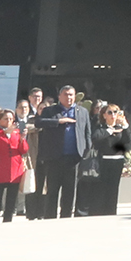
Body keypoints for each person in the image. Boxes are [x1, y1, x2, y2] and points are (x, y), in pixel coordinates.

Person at [38, 84, 90, 218]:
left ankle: (66, 216)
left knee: (70, 190)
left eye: (71, 94)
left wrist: (86, 150)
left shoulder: (82, 111)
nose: (69, 97)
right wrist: (58, 121)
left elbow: (87, 132)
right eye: (66, 95)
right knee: (52, 190)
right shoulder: (50, 110)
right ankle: (50, 217)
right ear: (59, 97)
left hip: (74, 157)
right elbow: (39, 122)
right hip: (54, 157)